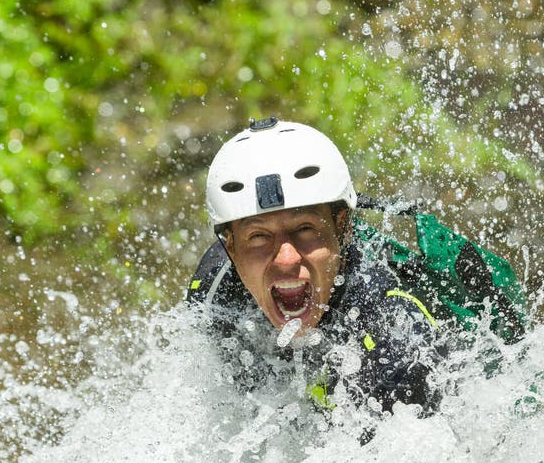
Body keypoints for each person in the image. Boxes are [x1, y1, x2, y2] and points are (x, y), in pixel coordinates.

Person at [187, 116, 444, 425]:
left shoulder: (394, 331)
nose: (285, 259)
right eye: (258, 236)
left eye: (304, 228)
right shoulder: (214, 291)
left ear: (342, 227)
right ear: (231, 247)